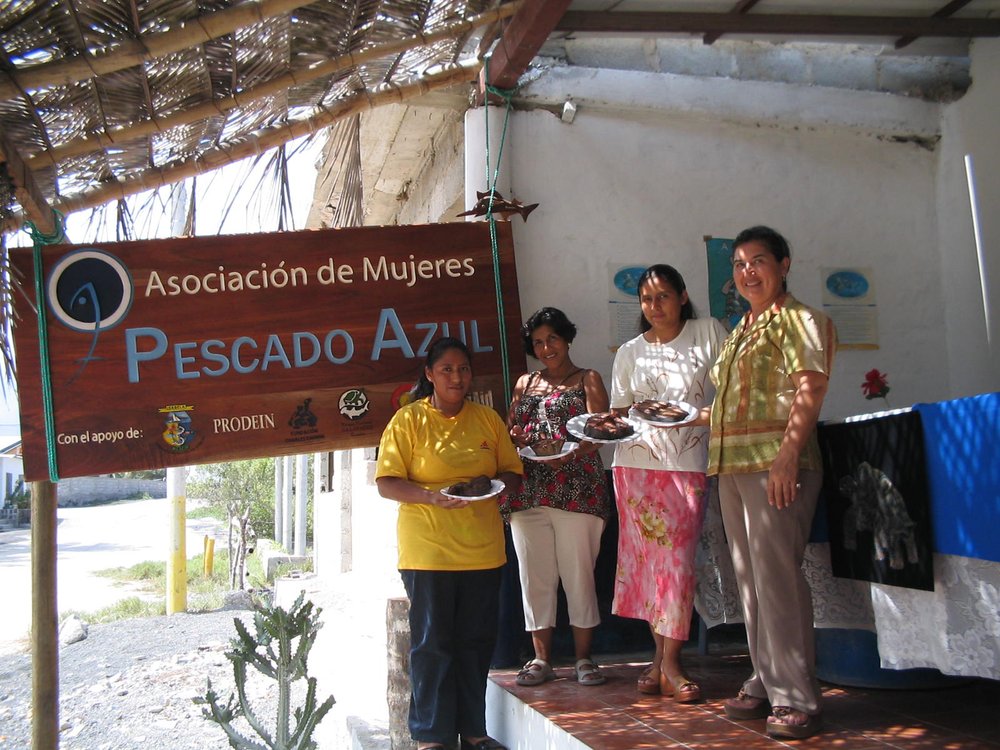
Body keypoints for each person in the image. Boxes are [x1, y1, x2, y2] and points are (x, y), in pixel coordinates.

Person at [707, 226, 837, 740]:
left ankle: (795, 696)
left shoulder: (802, 320)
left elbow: (812, 386)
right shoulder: (740, 329)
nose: (748, 272)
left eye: (758, 261)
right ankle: (764, 676)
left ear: (784, 264)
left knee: (777, 577)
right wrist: (675, 417)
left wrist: (787, 458)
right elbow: (727, 404)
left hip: (775, 465)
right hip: (732, 466)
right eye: (739, 265)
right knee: (749, 577)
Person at [375, 337, 523, 750]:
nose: (456, 377)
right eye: (446, 370)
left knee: (475, 645)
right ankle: (431, 737)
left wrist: (496, 488)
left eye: (463, 369)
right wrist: (429, 496)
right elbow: (387, 483)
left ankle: (474, 732)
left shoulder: (487, 420)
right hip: (428, 552)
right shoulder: (408, 420)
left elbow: (512, 471)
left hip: (483, 551)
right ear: (429, 375)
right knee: (433, 646)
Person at [608, 265, 728, 702]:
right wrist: (612, 423)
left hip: (687, 467)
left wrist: (699, 416)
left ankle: (670, 661)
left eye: (662, 296)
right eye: (646, 299)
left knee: (677, 565)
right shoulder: (630, 352)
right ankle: (661, 660)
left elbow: (733, 394)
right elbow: (620, 414)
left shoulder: (708, 333)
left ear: (682, 295)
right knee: (647, 566)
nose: (654, 306)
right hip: (636, 469)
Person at [503, 307, 611, 688]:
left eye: (552, 339)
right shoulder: (525, 384)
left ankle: (584, 659)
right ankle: (540, 659)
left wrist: (572, 452)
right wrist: (515, 438)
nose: (546, 348)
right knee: (534, 578)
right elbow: (511, 429)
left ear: (567, 338)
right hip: (528, 492)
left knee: (578, 576)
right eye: (538, 342)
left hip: (577, 490)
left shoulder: (588, 379)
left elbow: (601, 431)